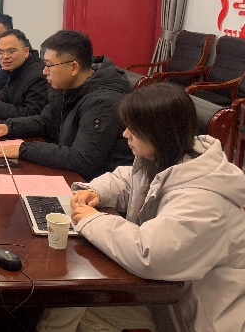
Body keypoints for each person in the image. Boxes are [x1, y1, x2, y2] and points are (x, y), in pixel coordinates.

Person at [38, 83, 245, 332]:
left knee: (72, 298)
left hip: (197, 315)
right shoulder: (170, 158)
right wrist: (95, 191)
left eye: (133, 129)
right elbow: (128, 181)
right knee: (71, 300)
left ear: (159, 133)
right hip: (169, 295)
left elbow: (151, 254)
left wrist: (92, 220)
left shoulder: (204, 200)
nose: (125, 134)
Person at [0, 30, 132, 181]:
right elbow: (46, 121)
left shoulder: (103, 102)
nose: (44, 71)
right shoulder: (70, 87)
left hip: (96, 185)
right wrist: (9, 127)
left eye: (49, 65)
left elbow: (82, 159)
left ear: (74, 67)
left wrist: (24, 149)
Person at [0, 29, 49, 120]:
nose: (5, 56)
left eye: (11, 51)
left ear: (26, 52)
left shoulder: (38, 75)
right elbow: (5, 93)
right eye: (1, 52)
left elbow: (32, 113)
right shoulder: (17, 67)